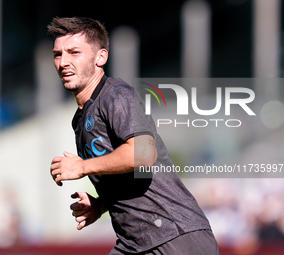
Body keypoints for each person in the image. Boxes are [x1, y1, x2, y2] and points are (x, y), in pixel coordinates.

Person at [48, 16, 219, 255]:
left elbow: (143, 154)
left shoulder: (116, 95)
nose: (63, 62)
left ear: (101, 57)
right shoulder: (81, 118)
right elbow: (130, 176)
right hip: (136, 244)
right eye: (58, 54)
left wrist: (83, 167)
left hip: (174, 238)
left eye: (74, 52)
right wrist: (101, 205)